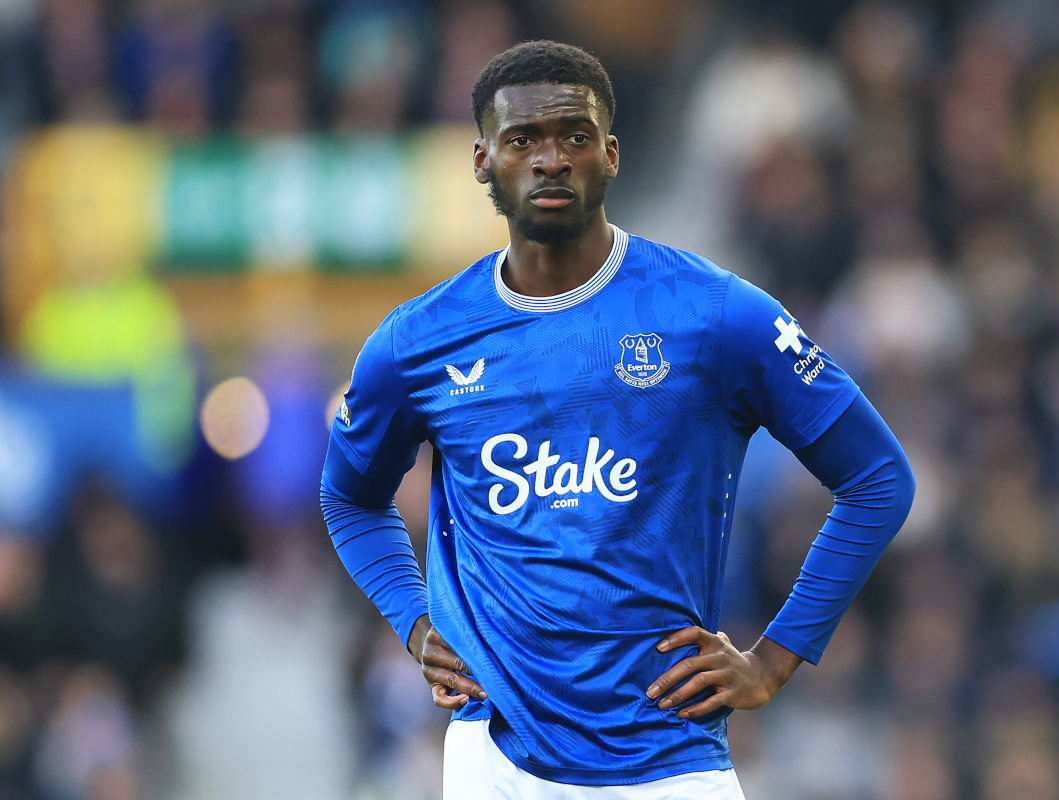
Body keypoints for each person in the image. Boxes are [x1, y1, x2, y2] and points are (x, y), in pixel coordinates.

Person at [320, 40, 915, 799]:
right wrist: (411, 617)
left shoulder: (715, 313)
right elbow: (349, 496)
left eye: (574, 136)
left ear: (611, 153)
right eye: (522, 139)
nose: (551, 158)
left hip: (672, 756)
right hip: (495, 758)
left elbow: (878, 479)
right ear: (481, 161)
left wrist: (776, 657)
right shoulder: (416, 342)